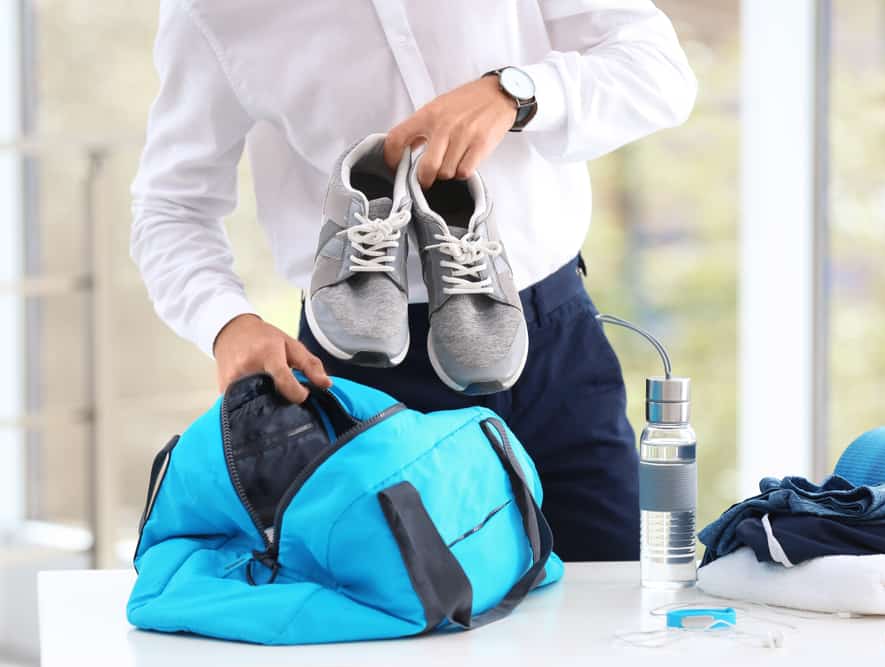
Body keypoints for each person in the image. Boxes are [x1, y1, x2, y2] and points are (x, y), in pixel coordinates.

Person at [131, 0, 697, 561]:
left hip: (551, 340)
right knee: (407, 631)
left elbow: (659, 71)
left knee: (615, 603)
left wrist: (517, 93)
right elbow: (171, 204)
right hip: (360, 372)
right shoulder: (209, 10)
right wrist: (225, 323)